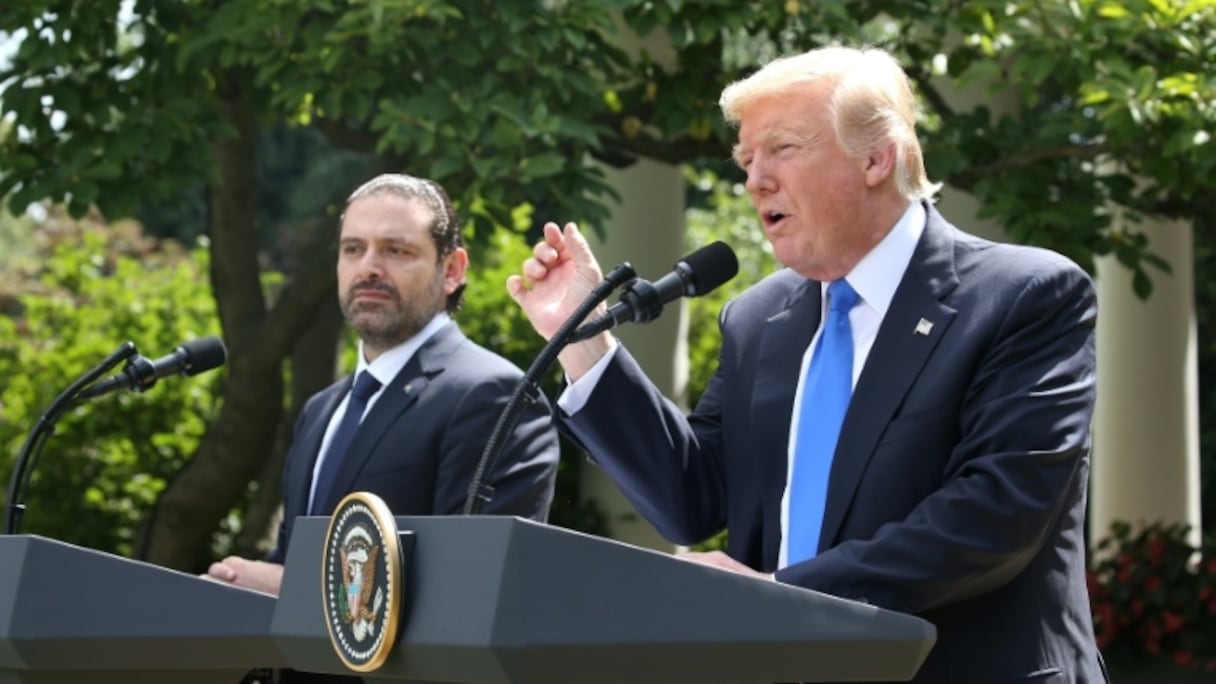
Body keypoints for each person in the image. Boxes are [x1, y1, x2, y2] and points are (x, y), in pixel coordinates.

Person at [509, 46, 1106, 682]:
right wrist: (580, 339)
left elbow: (996, 513)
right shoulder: (758, 319)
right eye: (746, 160)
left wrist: (780, 596)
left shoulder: (1025, 296)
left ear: (878, 157)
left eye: (783, 149)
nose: (754, 180)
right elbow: (692, 498)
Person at [208, 173, 561, 682]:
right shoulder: (321, 411)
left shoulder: (495, 396)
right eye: (353, 249)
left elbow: (471, 597)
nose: (369, 268)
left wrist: (286, 586)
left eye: (397, 250)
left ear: (452, 270)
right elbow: (291, 563)